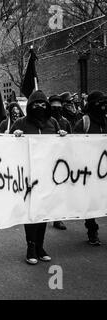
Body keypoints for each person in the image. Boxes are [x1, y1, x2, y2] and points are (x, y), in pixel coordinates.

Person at [10, 90, 66, 265]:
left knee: (43, 212)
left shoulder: (53, 123)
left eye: (43, 104)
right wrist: (15, 136)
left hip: (48, 176)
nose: (40, 107)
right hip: (28, 176)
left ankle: (41, 246)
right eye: (36, 104)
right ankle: (31, 247)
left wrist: (63, 137)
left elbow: (62, 150)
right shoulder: (21, 122)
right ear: (30, 107)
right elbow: (6, 147)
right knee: (31, 213)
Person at [74, 90, 107, 246]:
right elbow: (73, 145)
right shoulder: (84, 122)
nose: (103, 107)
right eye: (99, 103)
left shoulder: (105, 121)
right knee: (90, 202)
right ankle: (92, 231)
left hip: (104, 170)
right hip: (88, 171)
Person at [48, 94, 72, 231]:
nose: (56, 109)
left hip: (61, 161)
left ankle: (57, 218)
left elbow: (71, 140)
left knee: (59, 190)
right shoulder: (46, 121)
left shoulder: (65, 122)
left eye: (58, 106)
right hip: (46, 159)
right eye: (53, 107)